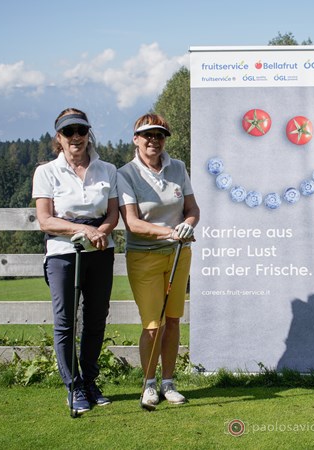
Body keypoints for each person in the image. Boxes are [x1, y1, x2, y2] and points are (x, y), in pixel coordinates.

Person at [32, 108, 119, 414]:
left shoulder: (107, 169)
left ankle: (91, 381)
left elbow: (112, 213)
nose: (76, 137)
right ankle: (74, 386)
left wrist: (102, 231)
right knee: (66, 322)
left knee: (96, 320)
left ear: (88, 133)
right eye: (69, 132)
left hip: (100, 252)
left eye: (81, 130)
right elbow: (45, 220)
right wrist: (82, 228)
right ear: (59, 137)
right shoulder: (46, 172)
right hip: (63, 256)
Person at [117, 113, 199, 409]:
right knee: (154, 324)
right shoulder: (126, 173)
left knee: (174, 320)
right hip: (144, 256)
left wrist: (188, 224)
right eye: (148, 135)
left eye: (160, 135)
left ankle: (168, 382)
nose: (154, 141)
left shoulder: (176, 167)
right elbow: (133, 224)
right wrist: (170, 232)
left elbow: (191, 208)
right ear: (136, 139)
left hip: (178, 254)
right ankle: (148, 384)